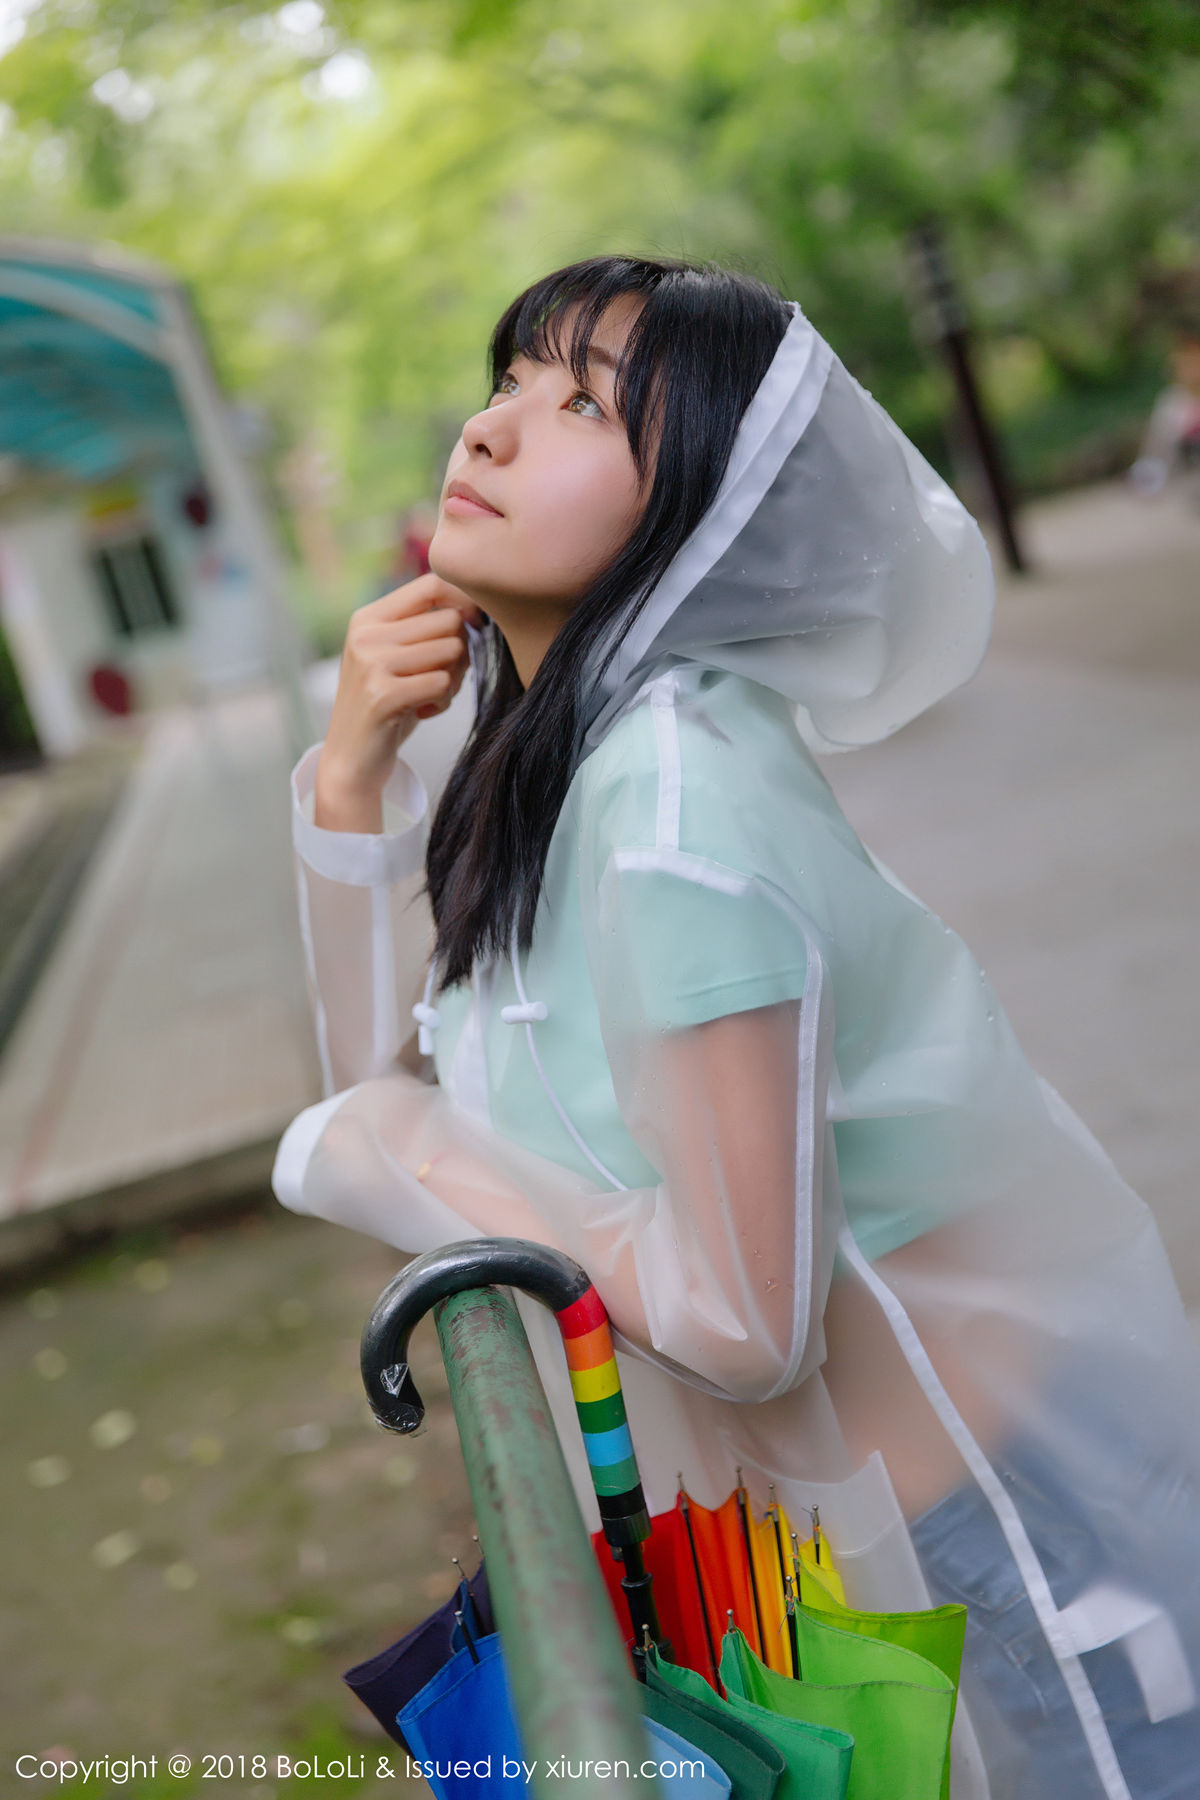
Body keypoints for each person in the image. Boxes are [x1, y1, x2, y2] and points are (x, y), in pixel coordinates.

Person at [272, 255, 1200, 1800]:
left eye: (585, 405)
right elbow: (373, 1080)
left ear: (696, 506)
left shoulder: (671, 810)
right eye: (509, 380)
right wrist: (354, 770)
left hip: (991, 1537)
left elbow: (743, 1320)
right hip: (836, 1540)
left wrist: (414, 1159)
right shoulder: (551, 755)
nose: (489, 429)